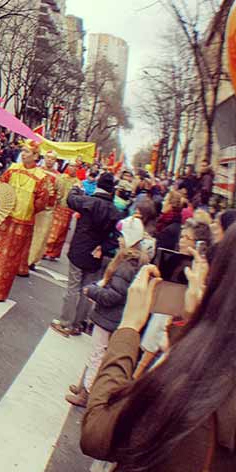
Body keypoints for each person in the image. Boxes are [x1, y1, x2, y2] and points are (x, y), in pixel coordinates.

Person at [45, 197, 236, 472]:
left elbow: (97, 432)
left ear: (227, 282)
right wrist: (194, 328)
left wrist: (129, 328)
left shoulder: (197, 377)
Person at [65, 217, 151, 409]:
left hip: (109, 317)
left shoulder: (127, 263)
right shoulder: (134, 260)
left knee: (97, 353)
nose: (119, 239)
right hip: (113, 316)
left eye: (122, 236)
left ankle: (86, 393)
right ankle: (83, 387)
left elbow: (114, 295)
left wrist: (93, 291)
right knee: (97, 352)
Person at [0, 141, 55, 302]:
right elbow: (0, 185)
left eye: (28, 151)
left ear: (35, 156)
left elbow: (42, 202)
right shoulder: (13, 168)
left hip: (22, 222)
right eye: (23, 150)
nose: (24, 153)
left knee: (9, 258)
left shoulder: (42, 178)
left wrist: (27, 208)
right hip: (4, 216)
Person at [53, 173, 125, 336]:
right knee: (87, 290)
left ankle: (65, 322)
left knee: (73, 287)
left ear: (98, 185)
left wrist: (76, 189)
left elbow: (71, 199)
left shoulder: (88, 202)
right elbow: (119, 238)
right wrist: (103, 247)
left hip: (79, 250)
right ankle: (78, 324)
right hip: (96, 254)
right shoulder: (115, 212)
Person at [27, 151, 61, 270]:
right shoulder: (37, 170)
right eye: (48, 157)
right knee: (28, 233)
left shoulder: (58, 176)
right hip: (33, 206)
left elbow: (59, 194)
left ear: (55, 161)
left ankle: (33, 260)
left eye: (52, 159)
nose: (50, 160)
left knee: (41, 236)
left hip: (47, 210)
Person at [44, 160, 80, 260]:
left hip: (68, 208)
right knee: (51, 229)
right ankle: (45, 250)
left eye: (75, 167)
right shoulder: (61, 177)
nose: (72, 168)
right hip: (57, 205)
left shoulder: (77, 183)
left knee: (61, 232)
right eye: (71, 166)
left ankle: (53, 253)